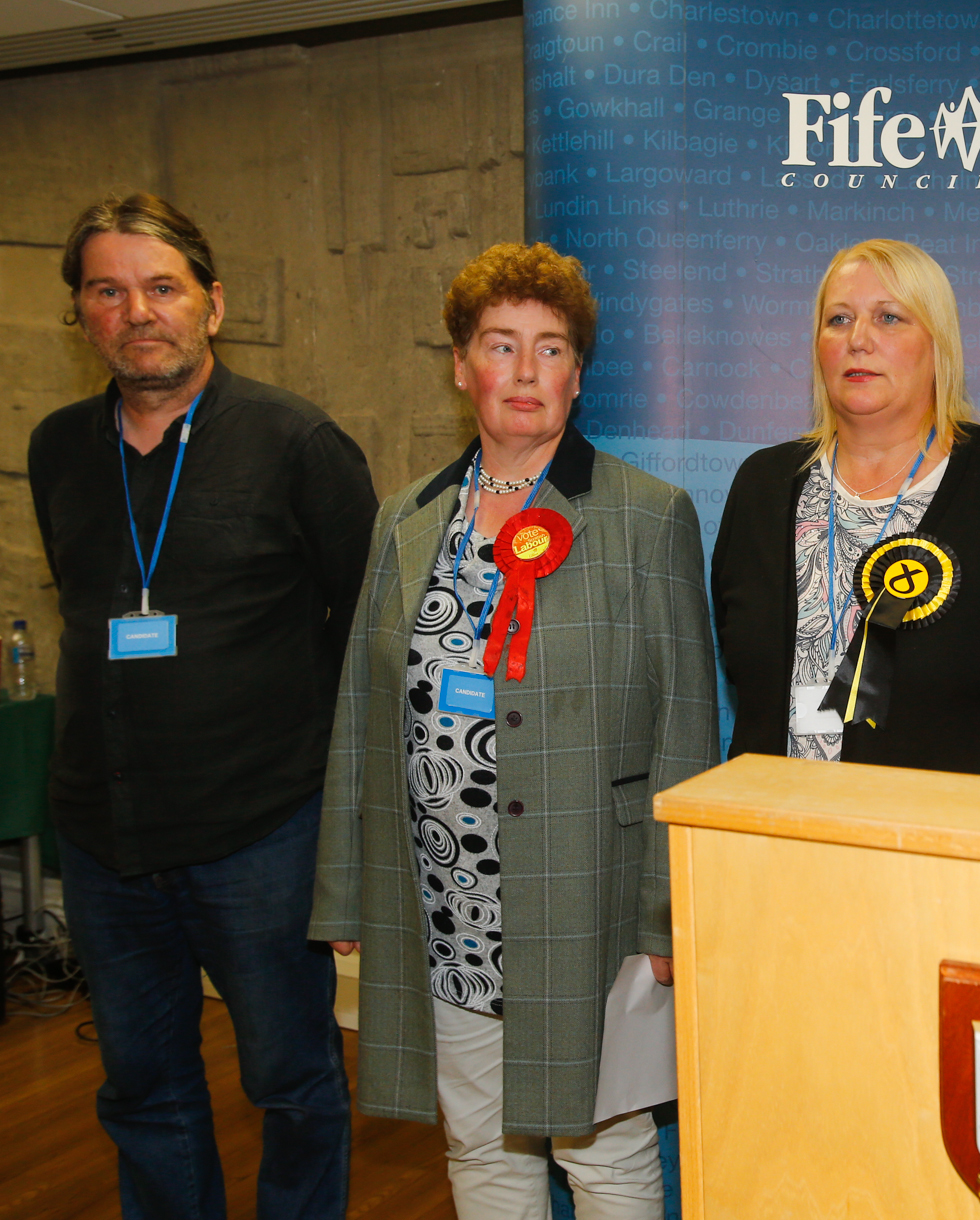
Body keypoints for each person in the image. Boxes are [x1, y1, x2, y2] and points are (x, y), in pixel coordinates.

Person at [308, 242, 718, 1220]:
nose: (526, 371)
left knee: (605, 1151)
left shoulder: (644, 516)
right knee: (482, 1146)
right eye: (501, 345)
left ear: (578, 373)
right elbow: (363, 720)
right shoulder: (404, 521)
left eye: (551, 347)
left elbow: (686, 724)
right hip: (446, 900)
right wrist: (344, 888)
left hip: (592, 897)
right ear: (462, 365)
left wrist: (668, 914)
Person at [28, 193, 373, 1219]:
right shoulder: (55, 450)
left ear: (211, 305)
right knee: (142, 1089)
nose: (139, 309)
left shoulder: (298, 442)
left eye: (163, 286)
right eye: (108, 289)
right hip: (102, 838)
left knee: (293, 1080)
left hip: (259, 834)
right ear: (83, 314)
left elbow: (366, 635)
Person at [712, 239, 980, 775]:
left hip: (944, 844)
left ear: (938, 343)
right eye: (838, 319)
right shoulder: (762, 487)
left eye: (888, 317)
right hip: (772, 839)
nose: (858, 340)